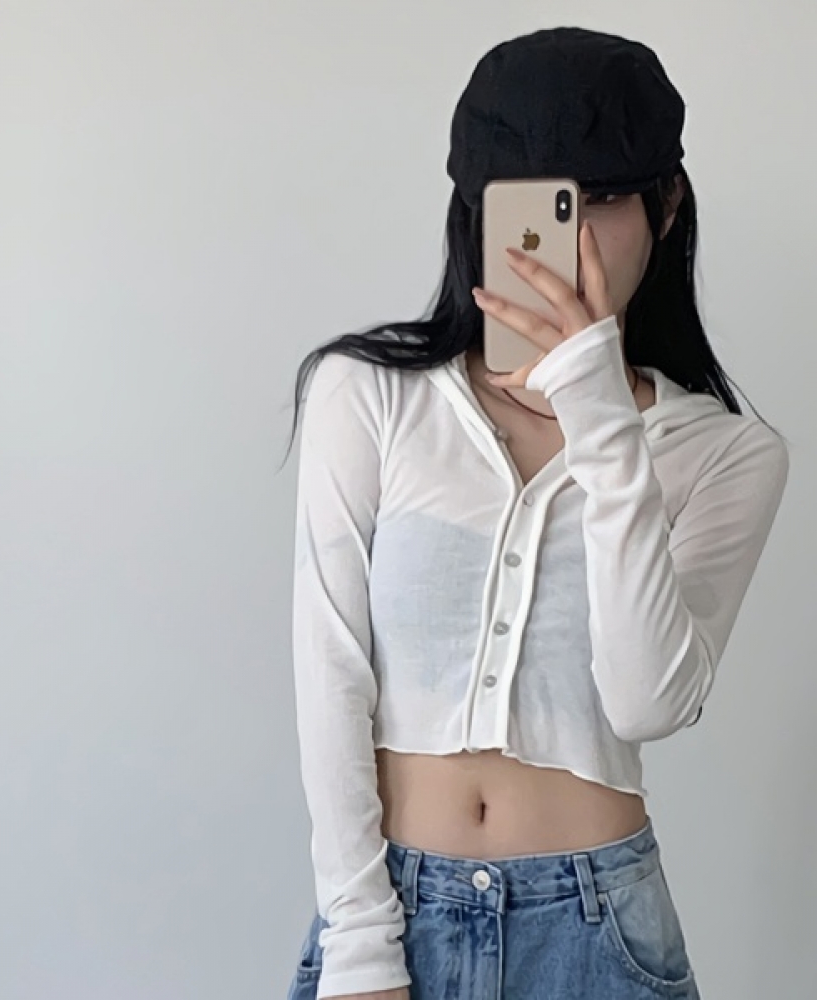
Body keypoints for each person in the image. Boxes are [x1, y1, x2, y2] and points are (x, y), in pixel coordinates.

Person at [282, 26, 790, 1000]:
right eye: (541, 206)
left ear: (667, 204)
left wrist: (598, 404)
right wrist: (359, 941)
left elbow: (646, 702)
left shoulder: (730, 454)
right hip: (393, 917)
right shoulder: (370, 394)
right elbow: (331, 673)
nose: (572, 243)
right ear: (479, 211)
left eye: (599, 200)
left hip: (600, 932)